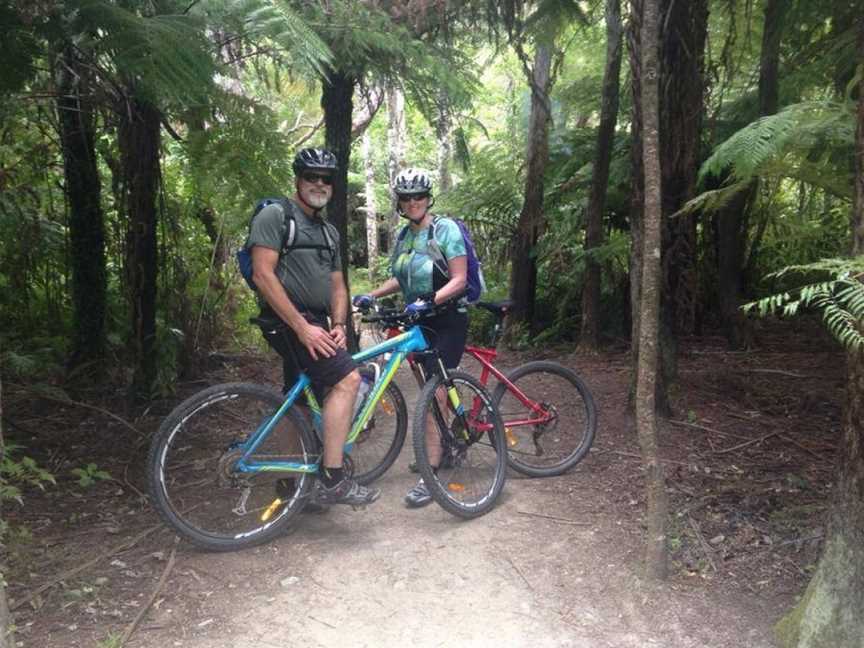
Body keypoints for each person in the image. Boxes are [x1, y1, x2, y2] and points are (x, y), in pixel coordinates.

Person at [245, 147, 379, 507]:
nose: (319, 184)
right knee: (347, 380)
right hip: (288, 321)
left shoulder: (329, 232)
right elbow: (262, 273)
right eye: (311, 176)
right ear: (298, 180)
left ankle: (293, 487)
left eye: (326, 179)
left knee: (299, 400)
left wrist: (338, 323)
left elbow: (338, 286)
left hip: (319, 323)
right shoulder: (276, 216)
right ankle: (334, 479)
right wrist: (302, 328)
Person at [353, 168, 468, 508]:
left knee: (433, 393)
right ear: (400, 203)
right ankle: (448, 442)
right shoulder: (404, 236)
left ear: (428, 198)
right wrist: (372, 294)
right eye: (406, 197)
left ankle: (431, 473)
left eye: (418, 196)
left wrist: (433, 299)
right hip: (420, 322)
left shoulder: (445, 229)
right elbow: (400, 280)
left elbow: (459, 279)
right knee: (433, 391)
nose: (413, 202)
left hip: (448, 319)